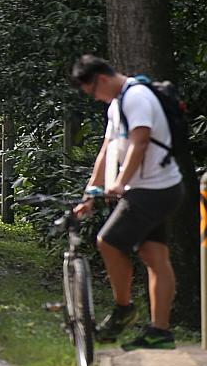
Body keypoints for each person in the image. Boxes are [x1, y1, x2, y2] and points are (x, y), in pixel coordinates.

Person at [71, 54, 184, 351]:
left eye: (93, 92)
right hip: (151, 188)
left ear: (103, 79)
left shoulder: (136, 97)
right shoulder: (117, 105)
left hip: (155, 189)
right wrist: (89, 196)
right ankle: (160, 332)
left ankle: (123, 309)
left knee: (108, 241)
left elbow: (141, 140)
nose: (95, 98)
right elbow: (108, 150)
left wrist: (121, 182)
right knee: (154, 257)